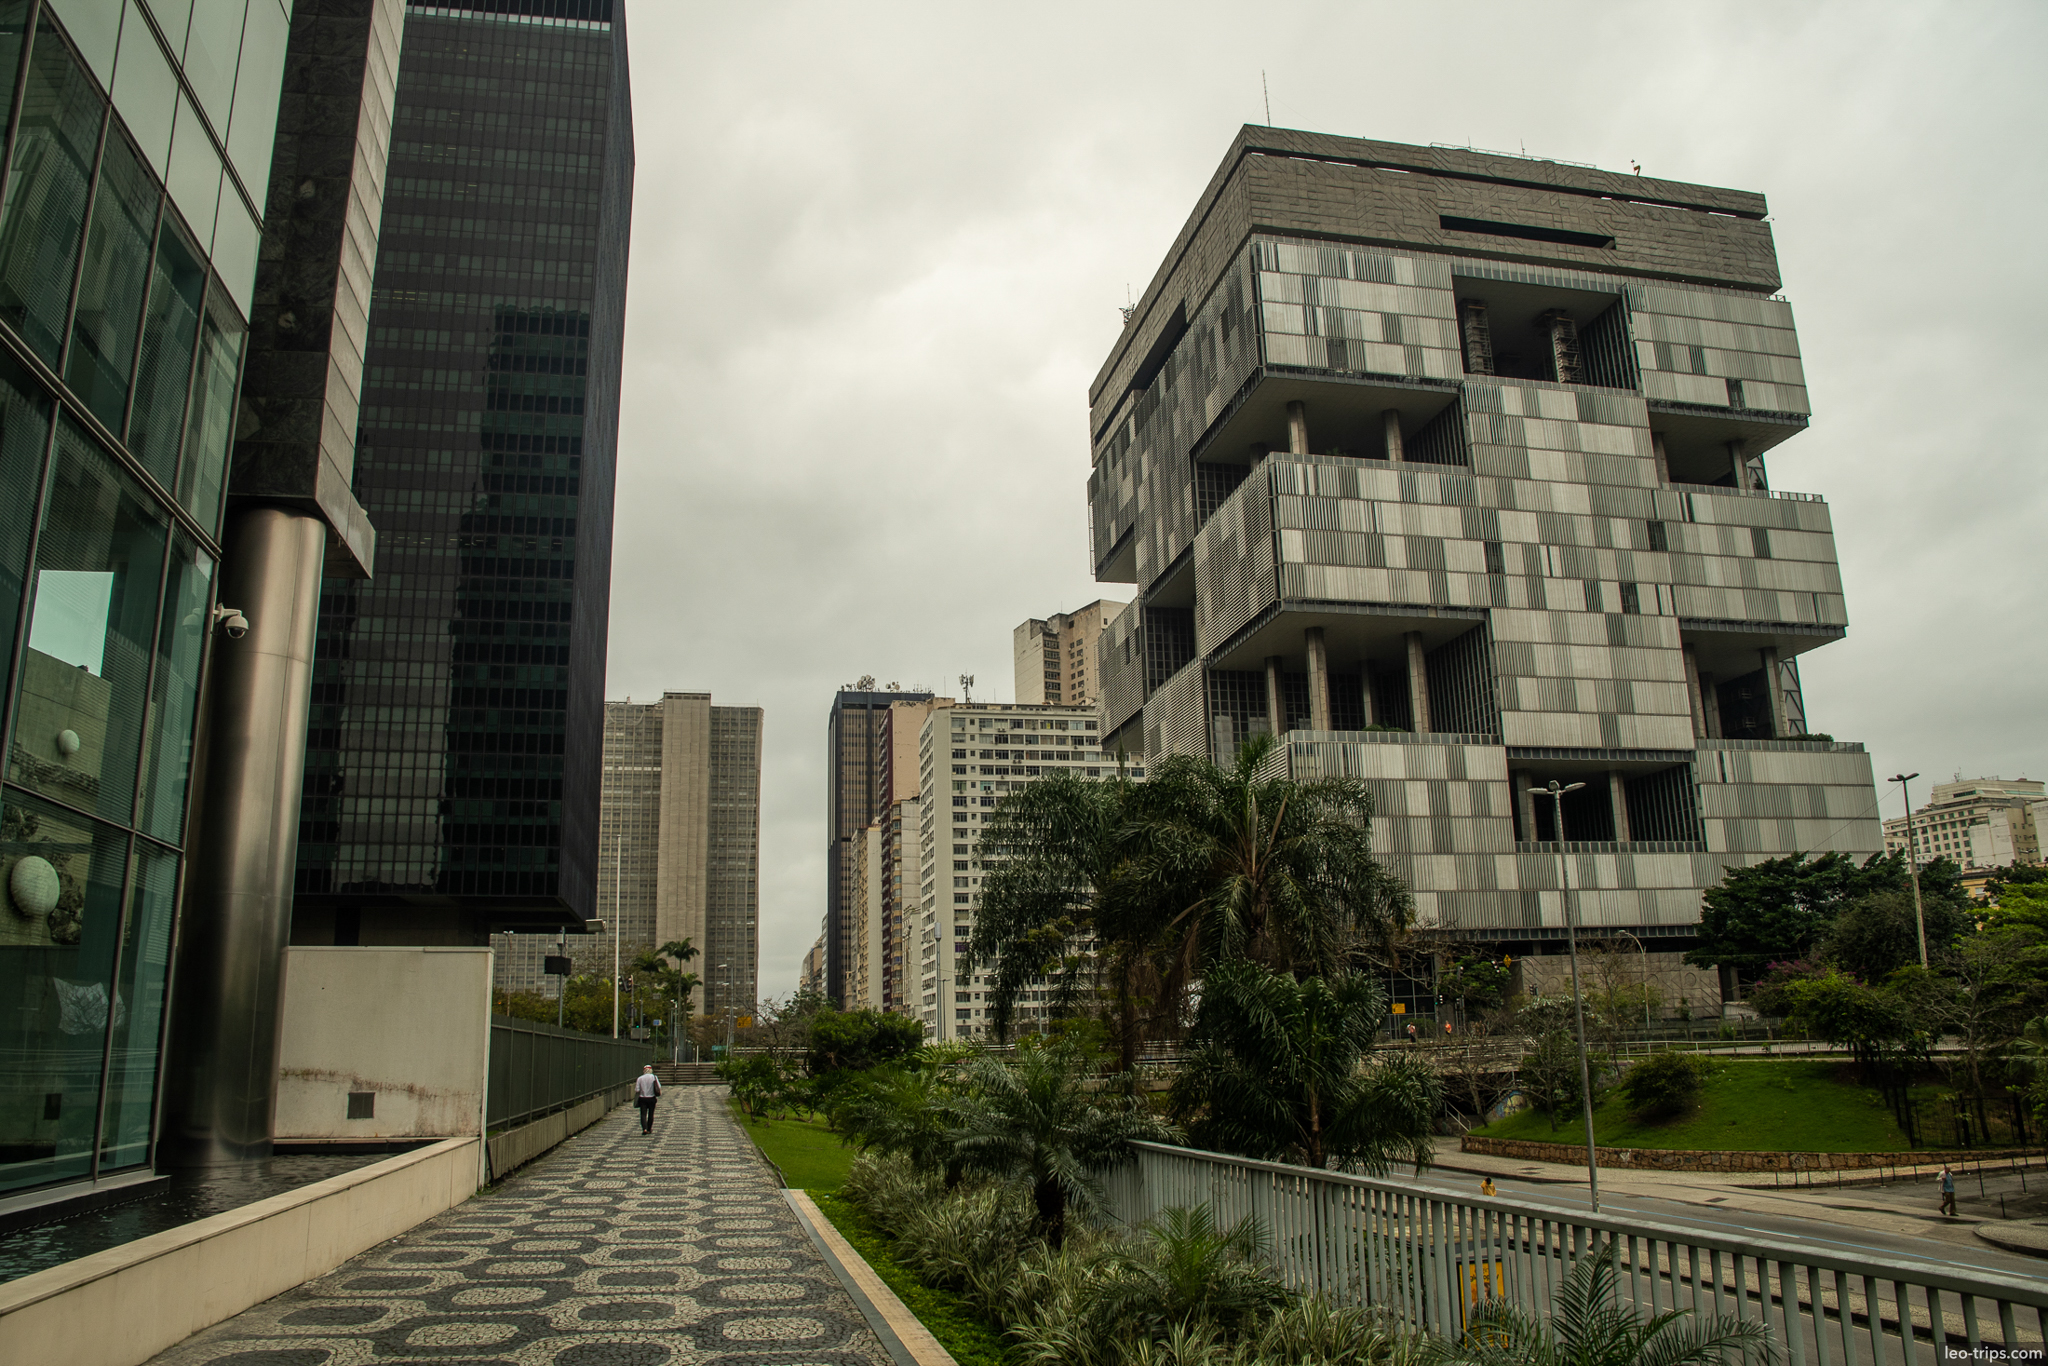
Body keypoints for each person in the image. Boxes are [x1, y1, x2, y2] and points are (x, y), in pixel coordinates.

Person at [634, 1064, 661, 1133]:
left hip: (642, 1098)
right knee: (651, 1114)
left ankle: (644, 1129)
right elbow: (659, 1087)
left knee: (643, 1114)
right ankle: (649, 1128)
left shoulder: (640, 1078)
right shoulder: (654, 1077)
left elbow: (637, 1090)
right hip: (651, 1098)